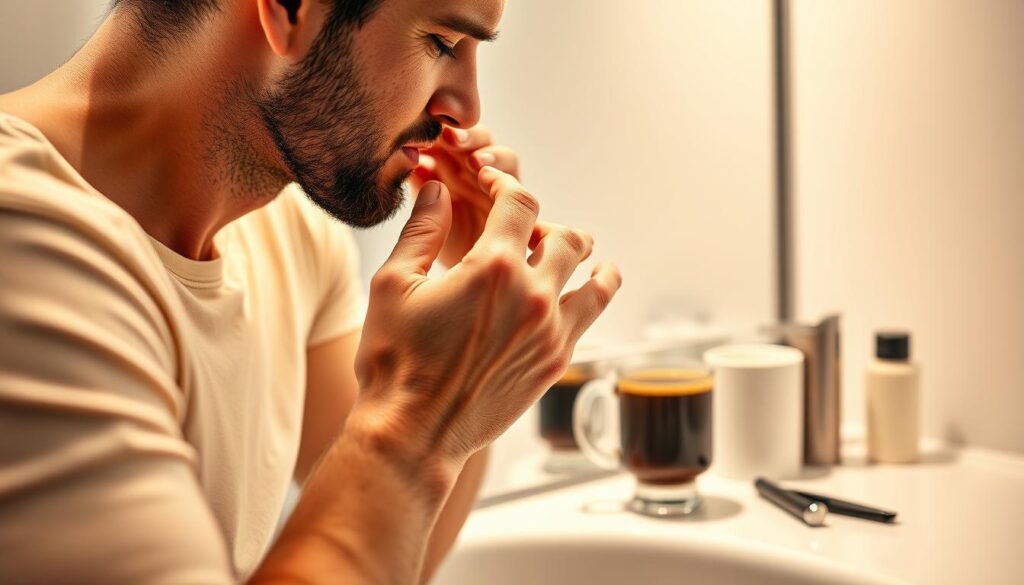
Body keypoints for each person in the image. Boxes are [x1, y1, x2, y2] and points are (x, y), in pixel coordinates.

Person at [0, 0, 621, 583]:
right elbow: (390, 474)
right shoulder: (21, 239)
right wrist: (416, 419)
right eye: (441, 41)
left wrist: (459, 372)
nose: (466, 108)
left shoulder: (285, 227)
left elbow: (395, 547)